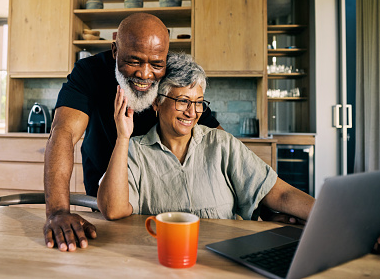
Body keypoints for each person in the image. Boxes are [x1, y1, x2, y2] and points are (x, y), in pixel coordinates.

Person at [43, 14, 222, 252]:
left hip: (161, 203)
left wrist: (261, 199)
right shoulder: (90, 72)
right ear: (115, 50)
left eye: (156, 64)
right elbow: (63, 132)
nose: (145, 74)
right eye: (134, 61)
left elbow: (221, 142)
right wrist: (58, 212)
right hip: (107, 204)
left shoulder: (173, 74)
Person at [97, 53, 315, 222]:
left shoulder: (222, 145)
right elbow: (114, 210)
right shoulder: (135, 150)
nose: (192, 113)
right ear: (156, 102)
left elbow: (281, 193)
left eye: (198, 102)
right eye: (183, 101)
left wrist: (333, 217)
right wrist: (123, 137)